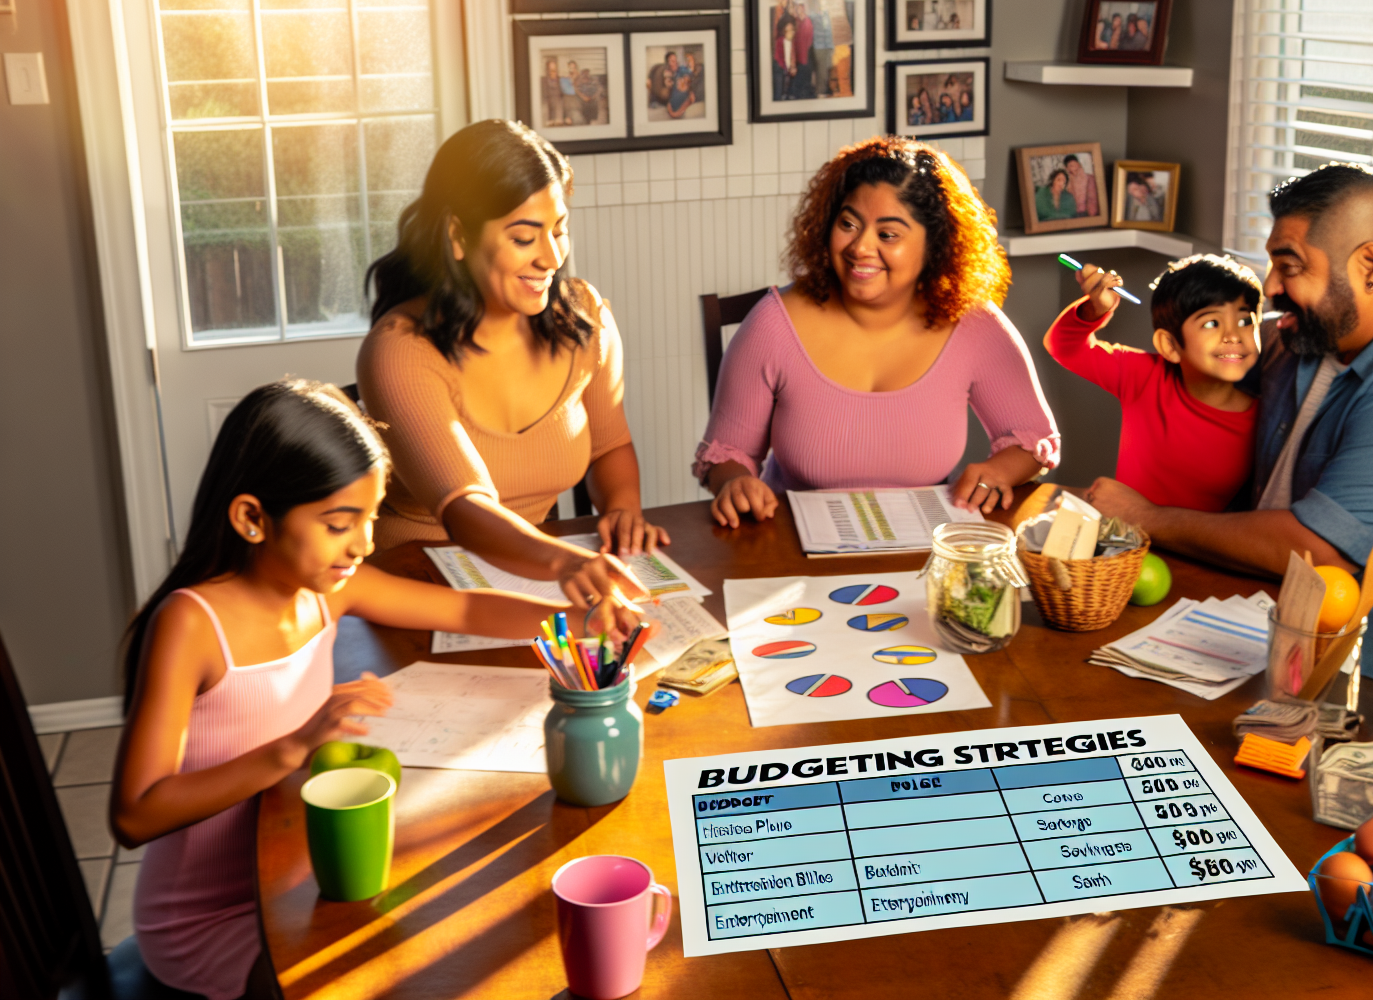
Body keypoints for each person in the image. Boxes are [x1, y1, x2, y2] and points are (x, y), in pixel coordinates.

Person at [109, 379, 592, 1000]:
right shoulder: (192, 624)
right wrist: (294, 747)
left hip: (294, 870)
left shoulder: (327, 589)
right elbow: (135, 814)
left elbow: (466, 612)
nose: (363, 544)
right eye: (340, 523)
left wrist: (575, 621)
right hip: (211, 920)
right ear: (253, 518)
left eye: (370, 517)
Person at [1081, 162, 1373, 673]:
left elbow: (1318, 550)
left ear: (1368, 266)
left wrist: (1144, 516)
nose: (1270, 286)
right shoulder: (1310, 337)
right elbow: (1202, 373)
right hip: (1275, 627)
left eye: (1290, 266)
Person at [358, 119, 661, 621]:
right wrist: (564, 560)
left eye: (558, 230)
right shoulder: (400, 351)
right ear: (457, 234)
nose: (551, 256)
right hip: (413, 591)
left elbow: (609, 445)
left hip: (526, 579)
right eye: (525, 237)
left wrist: (622, 510)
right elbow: (464, 507)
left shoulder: (583, 318)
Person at [694, 137, 1059, 525]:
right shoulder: (773, 323)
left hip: (924, 549)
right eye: (848, 224)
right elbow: (726, 454)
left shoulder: (974, 324)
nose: (860, 247)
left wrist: (1000, 471)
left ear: (936, 246)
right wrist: (733, 482)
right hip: (790, 548)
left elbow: (1034, 439)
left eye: (888, 235)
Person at [1047, 257, 1260, 514]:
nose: (1234, 336)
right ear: (1169, 345)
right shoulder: (1144, 377)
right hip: (1124, 545)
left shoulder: (1268, 419)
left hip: (1201, 553)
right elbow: (1063, 346)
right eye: (1212, 323)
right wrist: (1095, 309)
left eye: (1245, 321)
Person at [792, 0, 817, 99]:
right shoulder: (793, 22)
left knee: (806, 87)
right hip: (797, 62)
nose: (801, 8)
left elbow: (811, 41)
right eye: (798, 5)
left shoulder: (808, 21)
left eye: (802, 5)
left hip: (807, 60)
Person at [809, 0, 834, 97]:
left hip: (829, 46)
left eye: (825, 2)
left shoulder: (828, 16)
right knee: (821, 70)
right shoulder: (814, 16)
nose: (824, 5)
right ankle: (820, 91)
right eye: (821, 2)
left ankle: (825, 89)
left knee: (828, 68)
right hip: (819, 47)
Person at [774, 15, 798, 101]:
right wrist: (785, 68)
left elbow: (793, 56)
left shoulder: (792, 42)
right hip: (780, 68)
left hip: (787, 69)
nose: (791, 32)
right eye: (788, 30)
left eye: (792, 30)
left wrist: (793, 67)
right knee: (779, 90)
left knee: (790, 86)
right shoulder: (780, 41)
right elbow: (778, 57)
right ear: (784, 30)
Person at [541, 58, 565, 126]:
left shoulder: (561, 80)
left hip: (558, 100)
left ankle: (558, 121)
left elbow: (563, 95)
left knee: (559, 103)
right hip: (546, 100)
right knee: (544, 107)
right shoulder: (543, 81)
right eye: (550, 70)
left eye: (554, 70)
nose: (552, 72)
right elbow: (542, 95)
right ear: (547, 70)